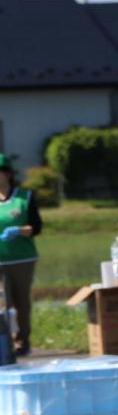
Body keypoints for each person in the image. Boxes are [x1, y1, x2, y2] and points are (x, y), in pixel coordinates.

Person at [0, 152, 41, 357]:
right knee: (2, 303)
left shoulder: (24, 197)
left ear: (7, 174)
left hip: (22, 259)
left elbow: (37, 227)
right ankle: (4, 343)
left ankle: (22, 342)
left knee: (20, 303)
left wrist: (18, 231)